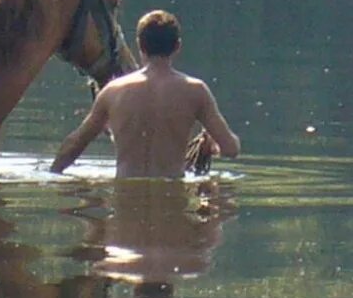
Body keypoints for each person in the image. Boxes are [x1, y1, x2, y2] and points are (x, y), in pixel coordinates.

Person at [50, 9, 239, 177]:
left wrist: (53, 174)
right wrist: (210, 143)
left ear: (139, 45)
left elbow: (74, 145)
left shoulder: (113, 91)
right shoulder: (196, 91)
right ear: (177, 46)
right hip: (172, 203)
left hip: (123, 203)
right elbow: (231, 148)